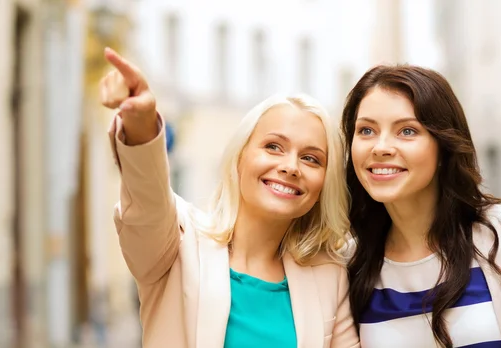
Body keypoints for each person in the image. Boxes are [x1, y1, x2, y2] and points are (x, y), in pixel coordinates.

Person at [100, 47, 359, 348]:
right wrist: (142, 125)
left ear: (324, 185)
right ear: (240, 157)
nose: (290, 167)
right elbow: (147, 203)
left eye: (311, 159)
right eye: (273, 147)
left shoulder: (330, 276)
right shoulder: (179, 244)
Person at [341, 64, 501, 347]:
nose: (381, 147)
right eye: (366, 130)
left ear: (443, 145)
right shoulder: (347, 264)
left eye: (407, 131)